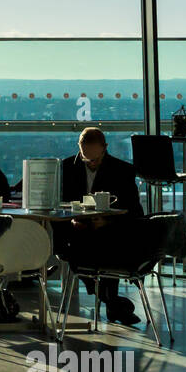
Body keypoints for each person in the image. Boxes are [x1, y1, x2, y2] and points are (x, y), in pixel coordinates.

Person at [57, 127, 144, 325]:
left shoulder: (123, 171)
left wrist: (106, 220)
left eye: (95, 160)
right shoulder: (66, 167)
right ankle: (110, 300)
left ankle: (107, 297)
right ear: (80, 149)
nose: (91, 164)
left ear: (105, 148)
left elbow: (134, 211)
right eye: (86, 159)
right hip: (75, 230)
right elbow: (58, 203)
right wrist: (71, 219)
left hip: (108, 230)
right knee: (67, 241)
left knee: (105, 241)